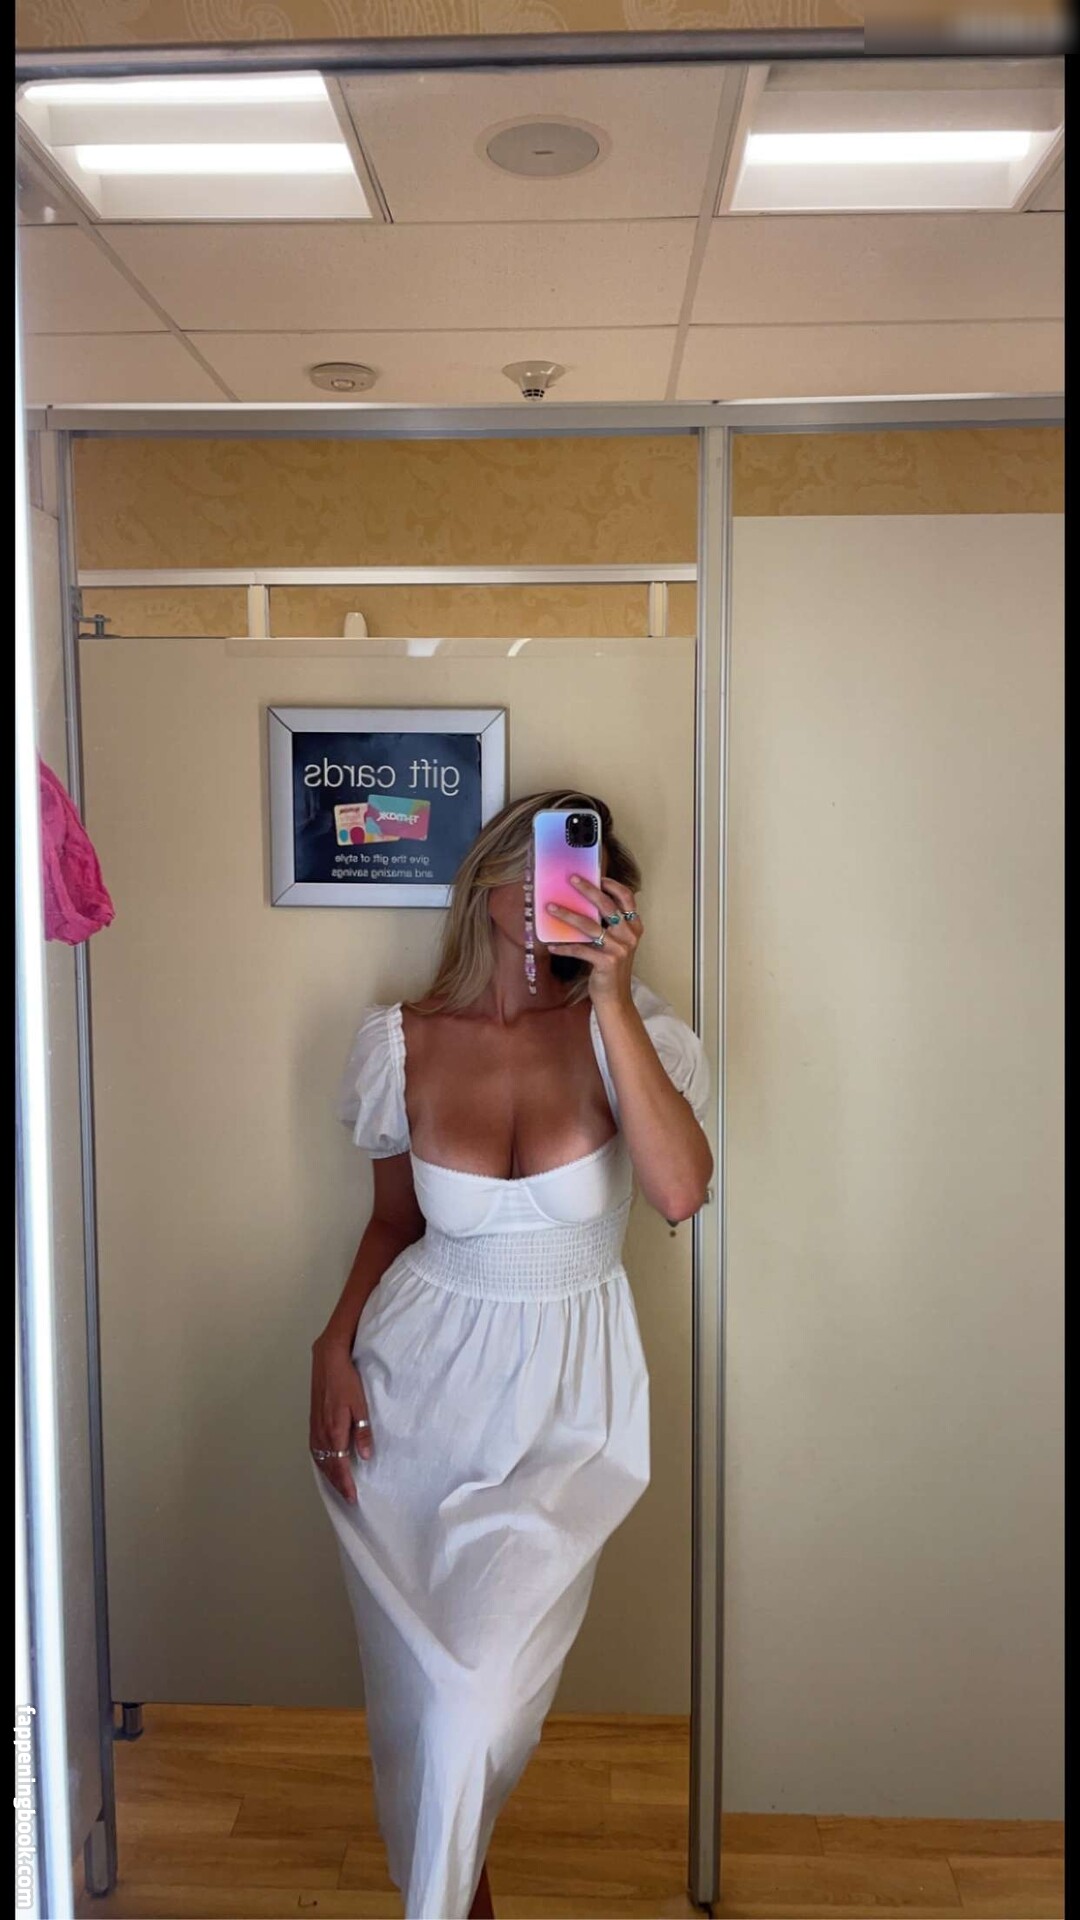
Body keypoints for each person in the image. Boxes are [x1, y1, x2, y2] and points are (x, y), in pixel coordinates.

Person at [310, 789, 713, 1920]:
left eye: (580, 870)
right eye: (534, 861)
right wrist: (332, 1343)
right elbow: (393, 1225)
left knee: (478, 1699)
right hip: (407, 1400)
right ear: (487, 876)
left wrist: (615, 996)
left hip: (562, 1417)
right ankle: (464, 1897)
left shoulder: (632, 1035)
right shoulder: (402, 1041)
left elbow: (681, 1192)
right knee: (425, 1702)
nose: (550, 888)